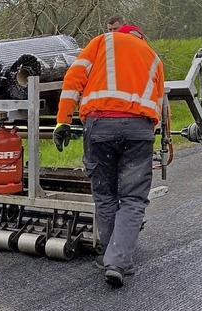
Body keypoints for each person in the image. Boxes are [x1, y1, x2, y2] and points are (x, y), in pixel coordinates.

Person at [52, 24, 164, 288]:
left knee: (105, 194)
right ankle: (117, 260)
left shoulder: (103, 42)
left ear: (122, 33)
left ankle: (109, 257)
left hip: (101, 126)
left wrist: (63, 120)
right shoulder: (153, 56)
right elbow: (158, 103)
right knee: (133, 198)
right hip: (139, 131)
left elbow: (73, 79)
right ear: (140, 36)